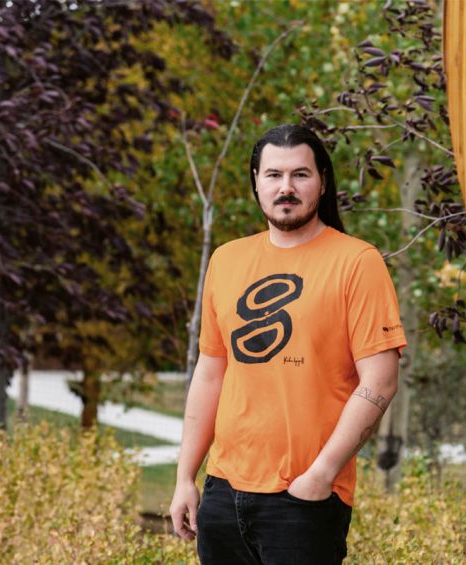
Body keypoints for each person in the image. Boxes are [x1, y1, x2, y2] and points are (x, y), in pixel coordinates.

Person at [169, 124, 407, 564]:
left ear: (322, 181)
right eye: (273, 175)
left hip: (304, 497)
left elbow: (381, 381)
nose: (286, 187)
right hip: (223, 492)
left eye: (300, 174)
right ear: (256, 182)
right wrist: (186, 476)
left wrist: (321, 475)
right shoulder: (226, 260)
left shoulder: (357, 262)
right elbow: (211, 371)